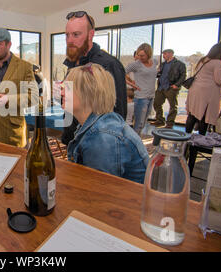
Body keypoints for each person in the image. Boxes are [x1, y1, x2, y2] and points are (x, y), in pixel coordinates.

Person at [63, 63, 148, 184]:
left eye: (67, 88)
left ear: (88, 93)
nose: (61, 93)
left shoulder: (100, 137)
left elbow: (99, 195)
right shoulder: (100, 124)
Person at [61, 11, 127, 145]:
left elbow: (118, 114)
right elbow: (69, 105)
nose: (70, 41)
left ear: (91, 34)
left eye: (76, 34)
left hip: (98, 145)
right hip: (73, 141)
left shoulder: (108, 65)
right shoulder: (72, 64)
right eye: (67, 35)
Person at [185, 42, 221, 135]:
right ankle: (201, 140)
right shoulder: (218, 63)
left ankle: (185, 138)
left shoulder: (204, 60)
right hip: (207, 93)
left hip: (195, 90)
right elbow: (219, 80)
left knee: (192, 114)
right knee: (205, 117)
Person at [125, 43, 158, 135]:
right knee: (138, 124)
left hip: (151, 96)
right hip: (140, 97)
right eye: (138, 55)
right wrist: (132, 84)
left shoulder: (155, 61)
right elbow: (121, 73)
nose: (139, 57)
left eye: (142, 55)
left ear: (149, 54)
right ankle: (133, 143)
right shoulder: (135, 64)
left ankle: (136, 139)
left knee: (143, 123)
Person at [151, 49, 186, 129]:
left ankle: (170, 123)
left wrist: (176, 85)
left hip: (171, 87)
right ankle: (160, 120)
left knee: (173, 106)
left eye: (165, 54)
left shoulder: (179, 64)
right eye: (163, 54)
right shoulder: (163, 64)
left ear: (171, 54)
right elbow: (160, 74)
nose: (163, 55)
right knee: (156, 103)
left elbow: (183, 76)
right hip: (161, 87)